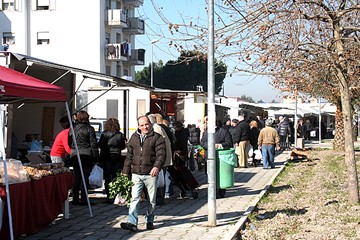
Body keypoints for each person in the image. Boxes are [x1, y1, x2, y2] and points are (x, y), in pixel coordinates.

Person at [120, 115, 166, 232]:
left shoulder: (157, 137)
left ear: (150, 124)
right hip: (136, 173)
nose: (145, 127)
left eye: (146, 124)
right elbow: (129, 156)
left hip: (150, 173)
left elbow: (161, 155)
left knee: (151, 200)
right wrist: (125, 172)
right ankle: (132, 222)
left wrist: (156, 167)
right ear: (138, 126)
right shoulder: (134, 138)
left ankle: (149, 220)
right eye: (142, 125)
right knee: (134, 198)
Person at [68, 111, 99, 205]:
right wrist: (95, 156)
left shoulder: (72, 128)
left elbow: (69, 142)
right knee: (85, 178)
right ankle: (84, 199)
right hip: (86, 154)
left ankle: (75, 199)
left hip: (74, 154)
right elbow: (93, 143)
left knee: (77, 177)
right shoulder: (89, 128)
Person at [98, 118, 126, 203]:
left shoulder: (105, 134)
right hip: (116, 156)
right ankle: (115, 195)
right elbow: (122, 146)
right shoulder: (120, 134)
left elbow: (101, 144)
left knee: (107, 177)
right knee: (115, 176)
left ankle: (108, 196)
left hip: (106, 156)